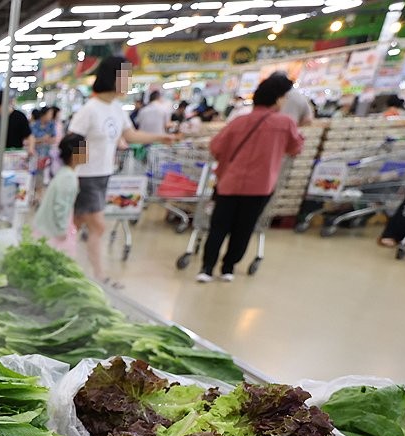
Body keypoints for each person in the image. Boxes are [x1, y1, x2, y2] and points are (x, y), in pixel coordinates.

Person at [67, 56, 176, 285]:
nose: (129, 81)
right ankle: (99, 276)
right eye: (126, 76)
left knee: (75, 225)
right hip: (85, 177)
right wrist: (73, 172)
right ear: (113, 78)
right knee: (97, 225)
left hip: (104, 174)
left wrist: (160, 138)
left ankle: (63, 264)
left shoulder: (116, 109)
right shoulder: (90, 109)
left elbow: (130, 134)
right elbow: (71, 141)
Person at [198, 73, 304, 283]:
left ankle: (207, 268)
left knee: (219, 226)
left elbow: (216, 147)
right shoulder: (285, 124)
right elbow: (295, 148)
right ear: (277, 98)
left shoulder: (239, 121)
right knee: (244, 228)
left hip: (230, 182)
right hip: (260, 186)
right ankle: (228, 267)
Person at [31, 133, 87, 256]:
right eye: (84, 150)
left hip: (48, 230)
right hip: (52, 233)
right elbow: (61, 206)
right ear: (74, 154)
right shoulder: (68, 177)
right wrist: (62, 230)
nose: (87, 154)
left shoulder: (65, 173)